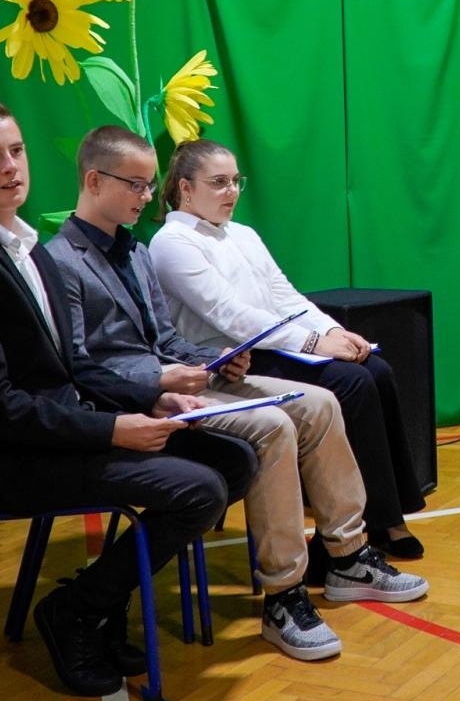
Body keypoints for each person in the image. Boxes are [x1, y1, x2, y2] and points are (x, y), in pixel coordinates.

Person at [45, 126, 428, 663]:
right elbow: (78, 365)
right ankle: (284, 593)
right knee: (274, 424)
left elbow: (166, 337)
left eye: (149, 185)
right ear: (93, 181)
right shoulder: (63, 259)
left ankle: (347, 554)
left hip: (187, 378)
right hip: (137, 401)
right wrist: (160, 383)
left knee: (320, 403)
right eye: (136, 185)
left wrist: (209, 360)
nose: (146, 196)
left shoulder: (134, 252)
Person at [0, 99, 258, 697]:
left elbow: (74, 367)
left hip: (68, 427)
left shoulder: (24, 248)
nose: (11, 167)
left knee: (235, 460)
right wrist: (112, 430)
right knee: (199, 490)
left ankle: (99, 601)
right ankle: (77, 609)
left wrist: (150, 399)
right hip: (18, 459)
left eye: (16, 150)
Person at [148, 139, 427, 562]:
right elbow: (230, 315)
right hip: (229, 363)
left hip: (276, 348)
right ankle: (353, 532)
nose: (232, 191)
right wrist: (313, 343)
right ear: (186, 188)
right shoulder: (172, 241)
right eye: (219, 182)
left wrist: (334, 331)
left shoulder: (242, 234)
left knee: (377, 370)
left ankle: (387, 515)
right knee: (350, 383)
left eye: (236, 181)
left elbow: (285, 296)